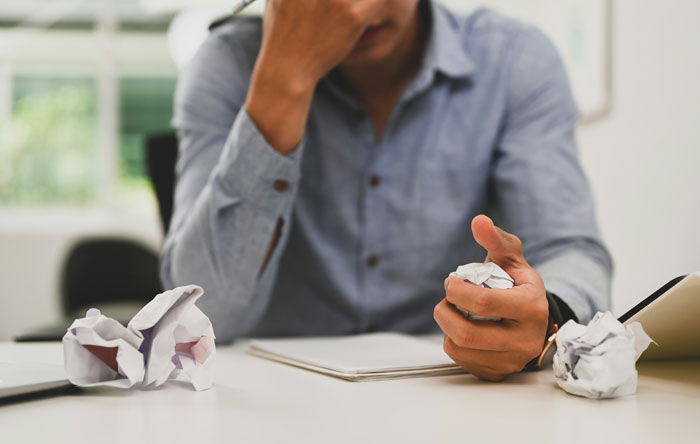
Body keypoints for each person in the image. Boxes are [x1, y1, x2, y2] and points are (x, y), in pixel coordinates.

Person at [161, 0, 613, 381]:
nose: (358, 9)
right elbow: (205, 312)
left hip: (455, 393)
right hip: (273, 398)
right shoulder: (226, 65)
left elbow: (570, 250)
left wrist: (546, 314)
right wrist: (283, 81)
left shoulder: (515, 60)